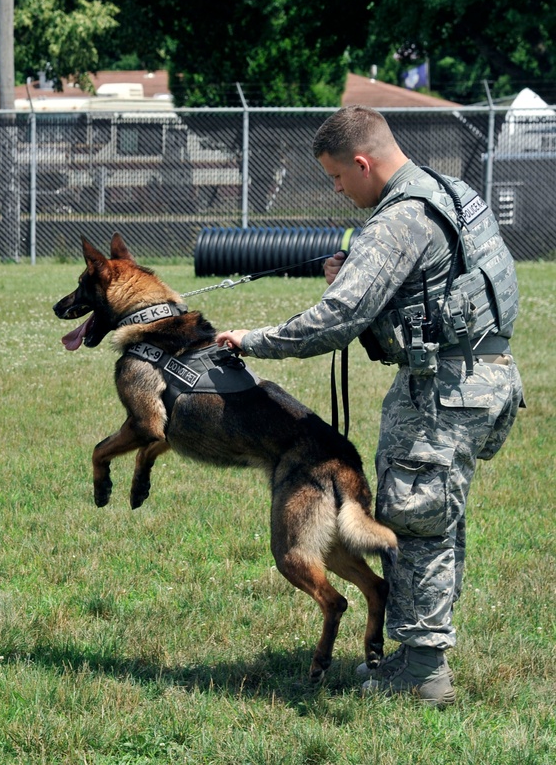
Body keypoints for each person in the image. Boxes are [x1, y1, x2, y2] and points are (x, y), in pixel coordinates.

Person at [216, 105, 523, 707]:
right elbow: (443, 286)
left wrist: (250, 341)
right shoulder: (448, 192)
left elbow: (336, 320)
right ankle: (413, 653)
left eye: (336, 178)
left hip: (440, 394)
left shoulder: (396, 221)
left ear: (362, 161)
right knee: (434, 520)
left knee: (415, 524)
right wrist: (359, 279)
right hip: (487, 380)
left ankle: (423, 674)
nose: (337, 190)